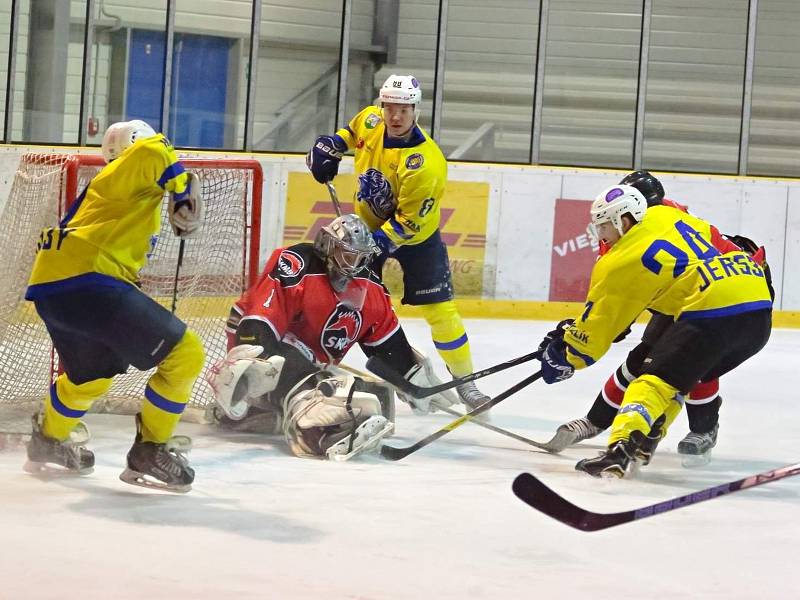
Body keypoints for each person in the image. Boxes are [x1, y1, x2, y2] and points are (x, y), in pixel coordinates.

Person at [536, 184, 772, 478]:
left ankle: (619, 451)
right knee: (676, 379)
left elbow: (590, 342)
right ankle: (646, 440)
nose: (600, 235)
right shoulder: (667, 214)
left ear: (624, 220)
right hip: (758, 307)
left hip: (710, 306)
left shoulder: (617, 262)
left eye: (603, 227)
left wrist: (565, 354)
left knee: (649, 383)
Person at [23, 120, 204, 492]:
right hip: (90, 281)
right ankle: (150, 450)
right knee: (186, 355)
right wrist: (184, 190)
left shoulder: (114, 188)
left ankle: (47, 440)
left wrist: (173, 193)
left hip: (52, 289)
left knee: (90, 377)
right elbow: (157, 148)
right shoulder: (137, 160)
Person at [304, 74, 491, 413]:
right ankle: (324, 366)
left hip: (417, 239)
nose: (396, 116)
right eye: (391, 107)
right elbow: (350, 133)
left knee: (440, 312)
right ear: (382, 105)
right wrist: (331, 144)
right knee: (347, 303)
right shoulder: (371, 120)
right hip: (365, 231)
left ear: (416, 110)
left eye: (404, 109)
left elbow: (407, 224)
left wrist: (368, 244)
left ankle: (466, 383)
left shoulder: (426, 163)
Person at [207, 213, 458, 461]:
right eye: (349, 256)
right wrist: (254, 362)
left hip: (312, 361)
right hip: (264, 344)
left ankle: (267, 412)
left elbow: (387, 344)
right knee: (309, 387)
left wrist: (412, 377)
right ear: (328, 246)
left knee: (375, 398)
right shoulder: (297, 264)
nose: (355, 265)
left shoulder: (369, 288)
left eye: (361, 258)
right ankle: (312, 433)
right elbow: (259, 322)